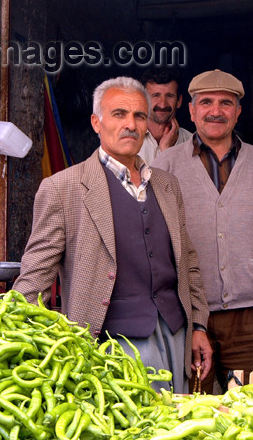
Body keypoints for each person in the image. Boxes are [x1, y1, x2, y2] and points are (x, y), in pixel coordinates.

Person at [13, 76, 212, 393]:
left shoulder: (166, 185)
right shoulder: (63, 188)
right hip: (111, 343)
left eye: (139, 116)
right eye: (119, 114)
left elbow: (187, 261)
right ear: (96, 122)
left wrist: (198, 325)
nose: (130, 125)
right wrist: (13, 340)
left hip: (175, 334)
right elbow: (35, 274)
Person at [152, 69, 253, 393]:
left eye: (226, 103)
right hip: (188, 314)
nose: (216, 111)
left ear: (238, 112)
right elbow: (151, 241)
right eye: (206, 102)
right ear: (191, 110)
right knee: (196, 413)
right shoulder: (165, 166)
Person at [138, 68, 193, 165]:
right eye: (156, 95)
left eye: (169, 96)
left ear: (179, 101)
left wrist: (167, 150)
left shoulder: (192, 143)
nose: (163, 104)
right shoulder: (126, 140)